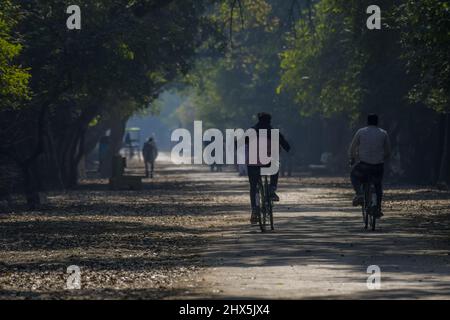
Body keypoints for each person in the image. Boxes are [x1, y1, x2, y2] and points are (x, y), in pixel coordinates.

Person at [247, 113, 290, 224]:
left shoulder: (251, 131)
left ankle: (255, 209)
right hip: (269, 163)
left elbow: (240, 143)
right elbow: (286, 145)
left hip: (253, 164)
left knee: (253, 187)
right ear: (269, 121)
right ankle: (272, 189)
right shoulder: (274, 132)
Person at [349, 114, 391, 217]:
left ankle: (359, 194)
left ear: (367, 122)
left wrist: (352, 158)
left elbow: (352, 148)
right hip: (378, 167)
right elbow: (388, 151)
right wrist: (381, 159)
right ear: (377, 122)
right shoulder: (383, 133)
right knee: (378, 185)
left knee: (353, 175)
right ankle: (378, 208)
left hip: (364, 166)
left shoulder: (361, 132)